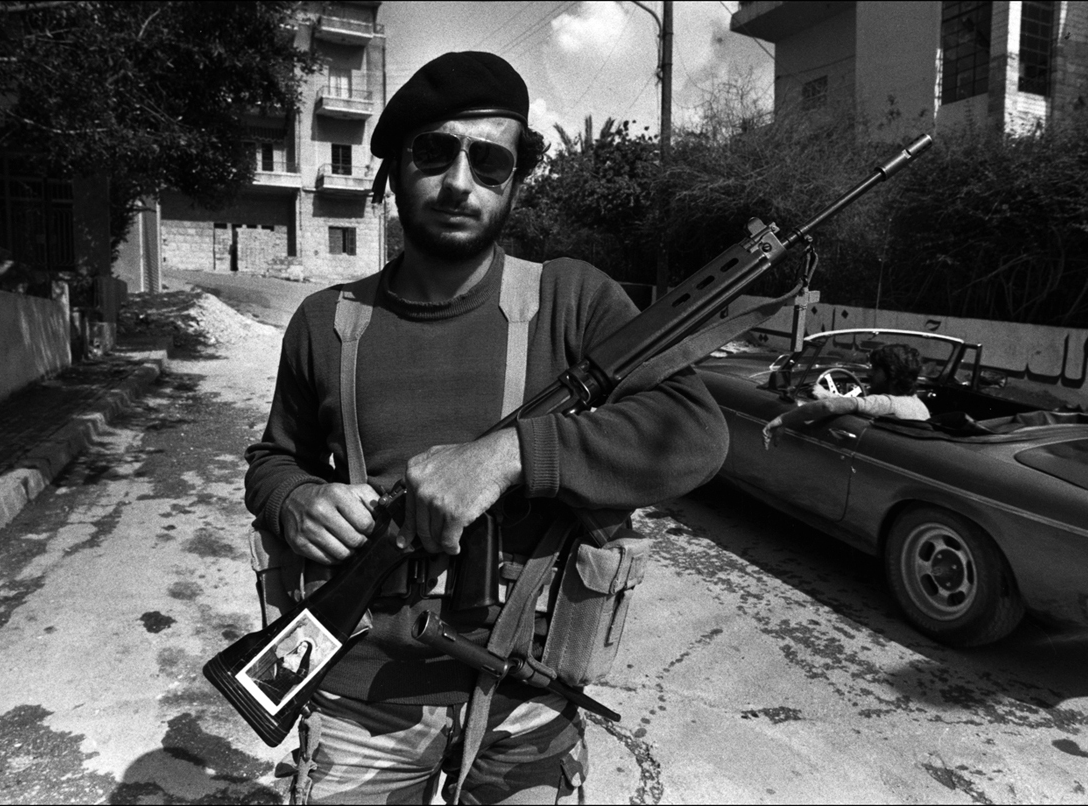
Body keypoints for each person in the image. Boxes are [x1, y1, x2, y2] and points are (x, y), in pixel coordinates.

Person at [243, 51, 728, 804]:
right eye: (434, 152)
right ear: (393, 169)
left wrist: (510, 455)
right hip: (358, 697)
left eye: (490, 160)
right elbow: (274, 461)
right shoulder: (325, 322)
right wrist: (296, 501)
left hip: (527, 702)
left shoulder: (573, 300)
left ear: (515, 179)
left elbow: (694, 431)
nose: (459, 182)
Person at [762, 342, 931, 449]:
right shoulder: (920, 407)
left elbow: (828, 407)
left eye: (876, 369)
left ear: (890, 374)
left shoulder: (886, 403)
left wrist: (783, 419)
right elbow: (851, 404)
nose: (870, 374)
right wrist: (827, 394)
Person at [257, 639, 315, 705]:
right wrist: (282, 665)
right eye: (300, 645)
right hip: (271, 680)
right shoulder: (290, 656)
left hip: (281, 688)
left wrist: (285, 670)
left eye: (304, 646)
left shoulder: (304, 665)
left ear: (308, 651)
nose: (300, 647)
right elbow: (278, 662)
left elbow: (298, 679)